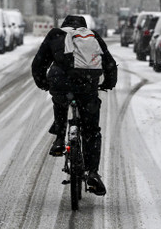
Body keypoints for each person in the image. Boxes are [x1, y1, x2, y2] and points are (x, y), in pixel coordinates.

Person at [31, 14, 117, 196]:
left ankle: (60, 139)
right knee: (91, 130)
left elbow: (38, 63)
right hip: (87, 84)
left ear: (64, 25)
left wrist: (44, 83)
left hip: (61, 81)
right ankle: (92, 172)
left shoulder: (56, 35)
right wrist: (108, 82)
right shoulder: (92, 35)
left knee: (60, 100)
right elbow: (109, 63)